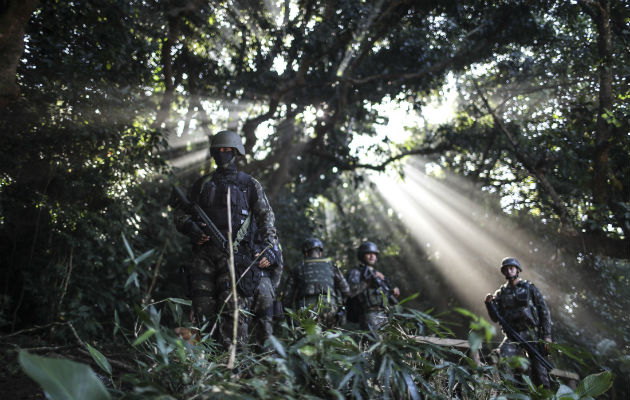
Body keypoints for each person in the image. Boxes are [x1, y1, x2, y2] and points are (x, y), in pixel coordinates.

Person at [173, 130, 282, 349]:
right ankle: (201, 364)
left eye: (227, 150)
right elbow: (180, 215)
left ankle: (233, 365)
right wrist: (192, 229)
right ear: (213, 153)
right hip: (203, 257)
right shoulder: (202, 184)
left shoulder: (249, 185)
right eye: (219, 150)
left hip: (235, 256)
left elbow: (266, 219)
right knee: (202, 311)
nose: (223, 154)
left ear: (235, 153)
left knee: (233, 317)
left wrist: (270, 249)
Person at [484, 257, 552, 389]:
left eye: (511, 268)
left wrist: (547, 335)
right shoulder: (501, 294)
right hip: (513, 335)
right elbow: (495, 318)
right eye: (506, 269)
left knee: (540, 371)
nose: (509, 271)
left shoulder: (529, 288)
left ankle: (546, 395)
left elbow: (544, 311)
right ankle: (511, 391)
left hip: (532, 334)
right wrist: (488, 304)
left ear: (517, 269)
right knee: (501, 359)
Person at [282, 238, 350, 327]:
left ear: (306, 253)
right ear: (320, 253)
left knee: (308, 338)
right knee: (330, 338)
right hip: (330, 308)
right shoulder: (331, 267)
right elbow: (346, 290)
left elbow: (287, 297)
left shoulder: (298, 268)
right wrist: (341, 304)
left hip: (307, 309)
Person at [346, 241, 400, 332]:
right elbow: (350, 292)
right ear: (362, 255)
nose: (372, 256)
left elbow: (381, 294)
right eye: (368, 253)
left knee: (387, 342)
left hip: (384, 313)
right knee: (376, 342)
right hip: (369, 314)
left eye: (374, 254)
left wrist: (392, 292)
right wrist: (367, 282)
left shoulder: (378, 274)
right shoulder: (356, 272)